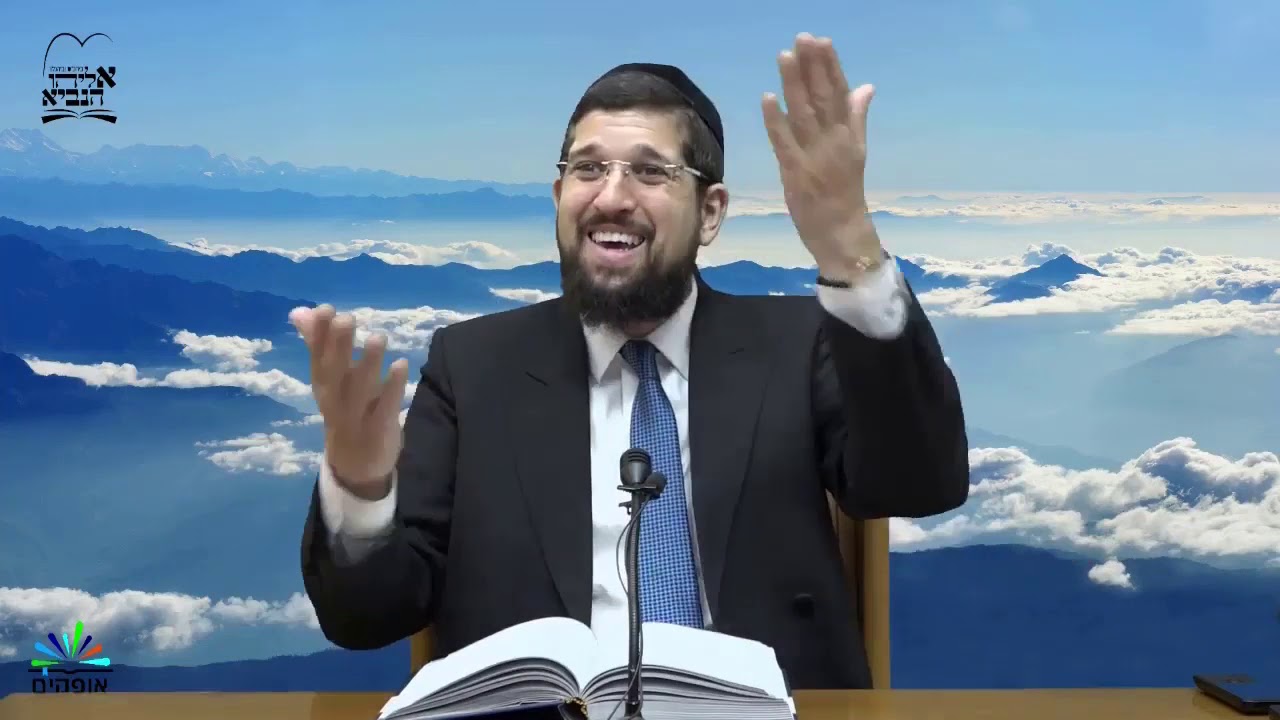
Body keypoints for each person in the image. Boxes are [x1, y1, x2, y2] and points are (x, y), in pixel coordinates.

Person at [294, 32, 969, 690]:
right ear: (559, 197)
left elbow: (918, 486)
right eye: (587, 169)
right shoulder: (472, 366)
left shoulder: (797, 343)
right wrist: (360, 489)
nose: (611, 197)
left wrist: (849, 245)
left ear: (710, 213)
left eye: (650, 172)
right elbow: (369, 617)